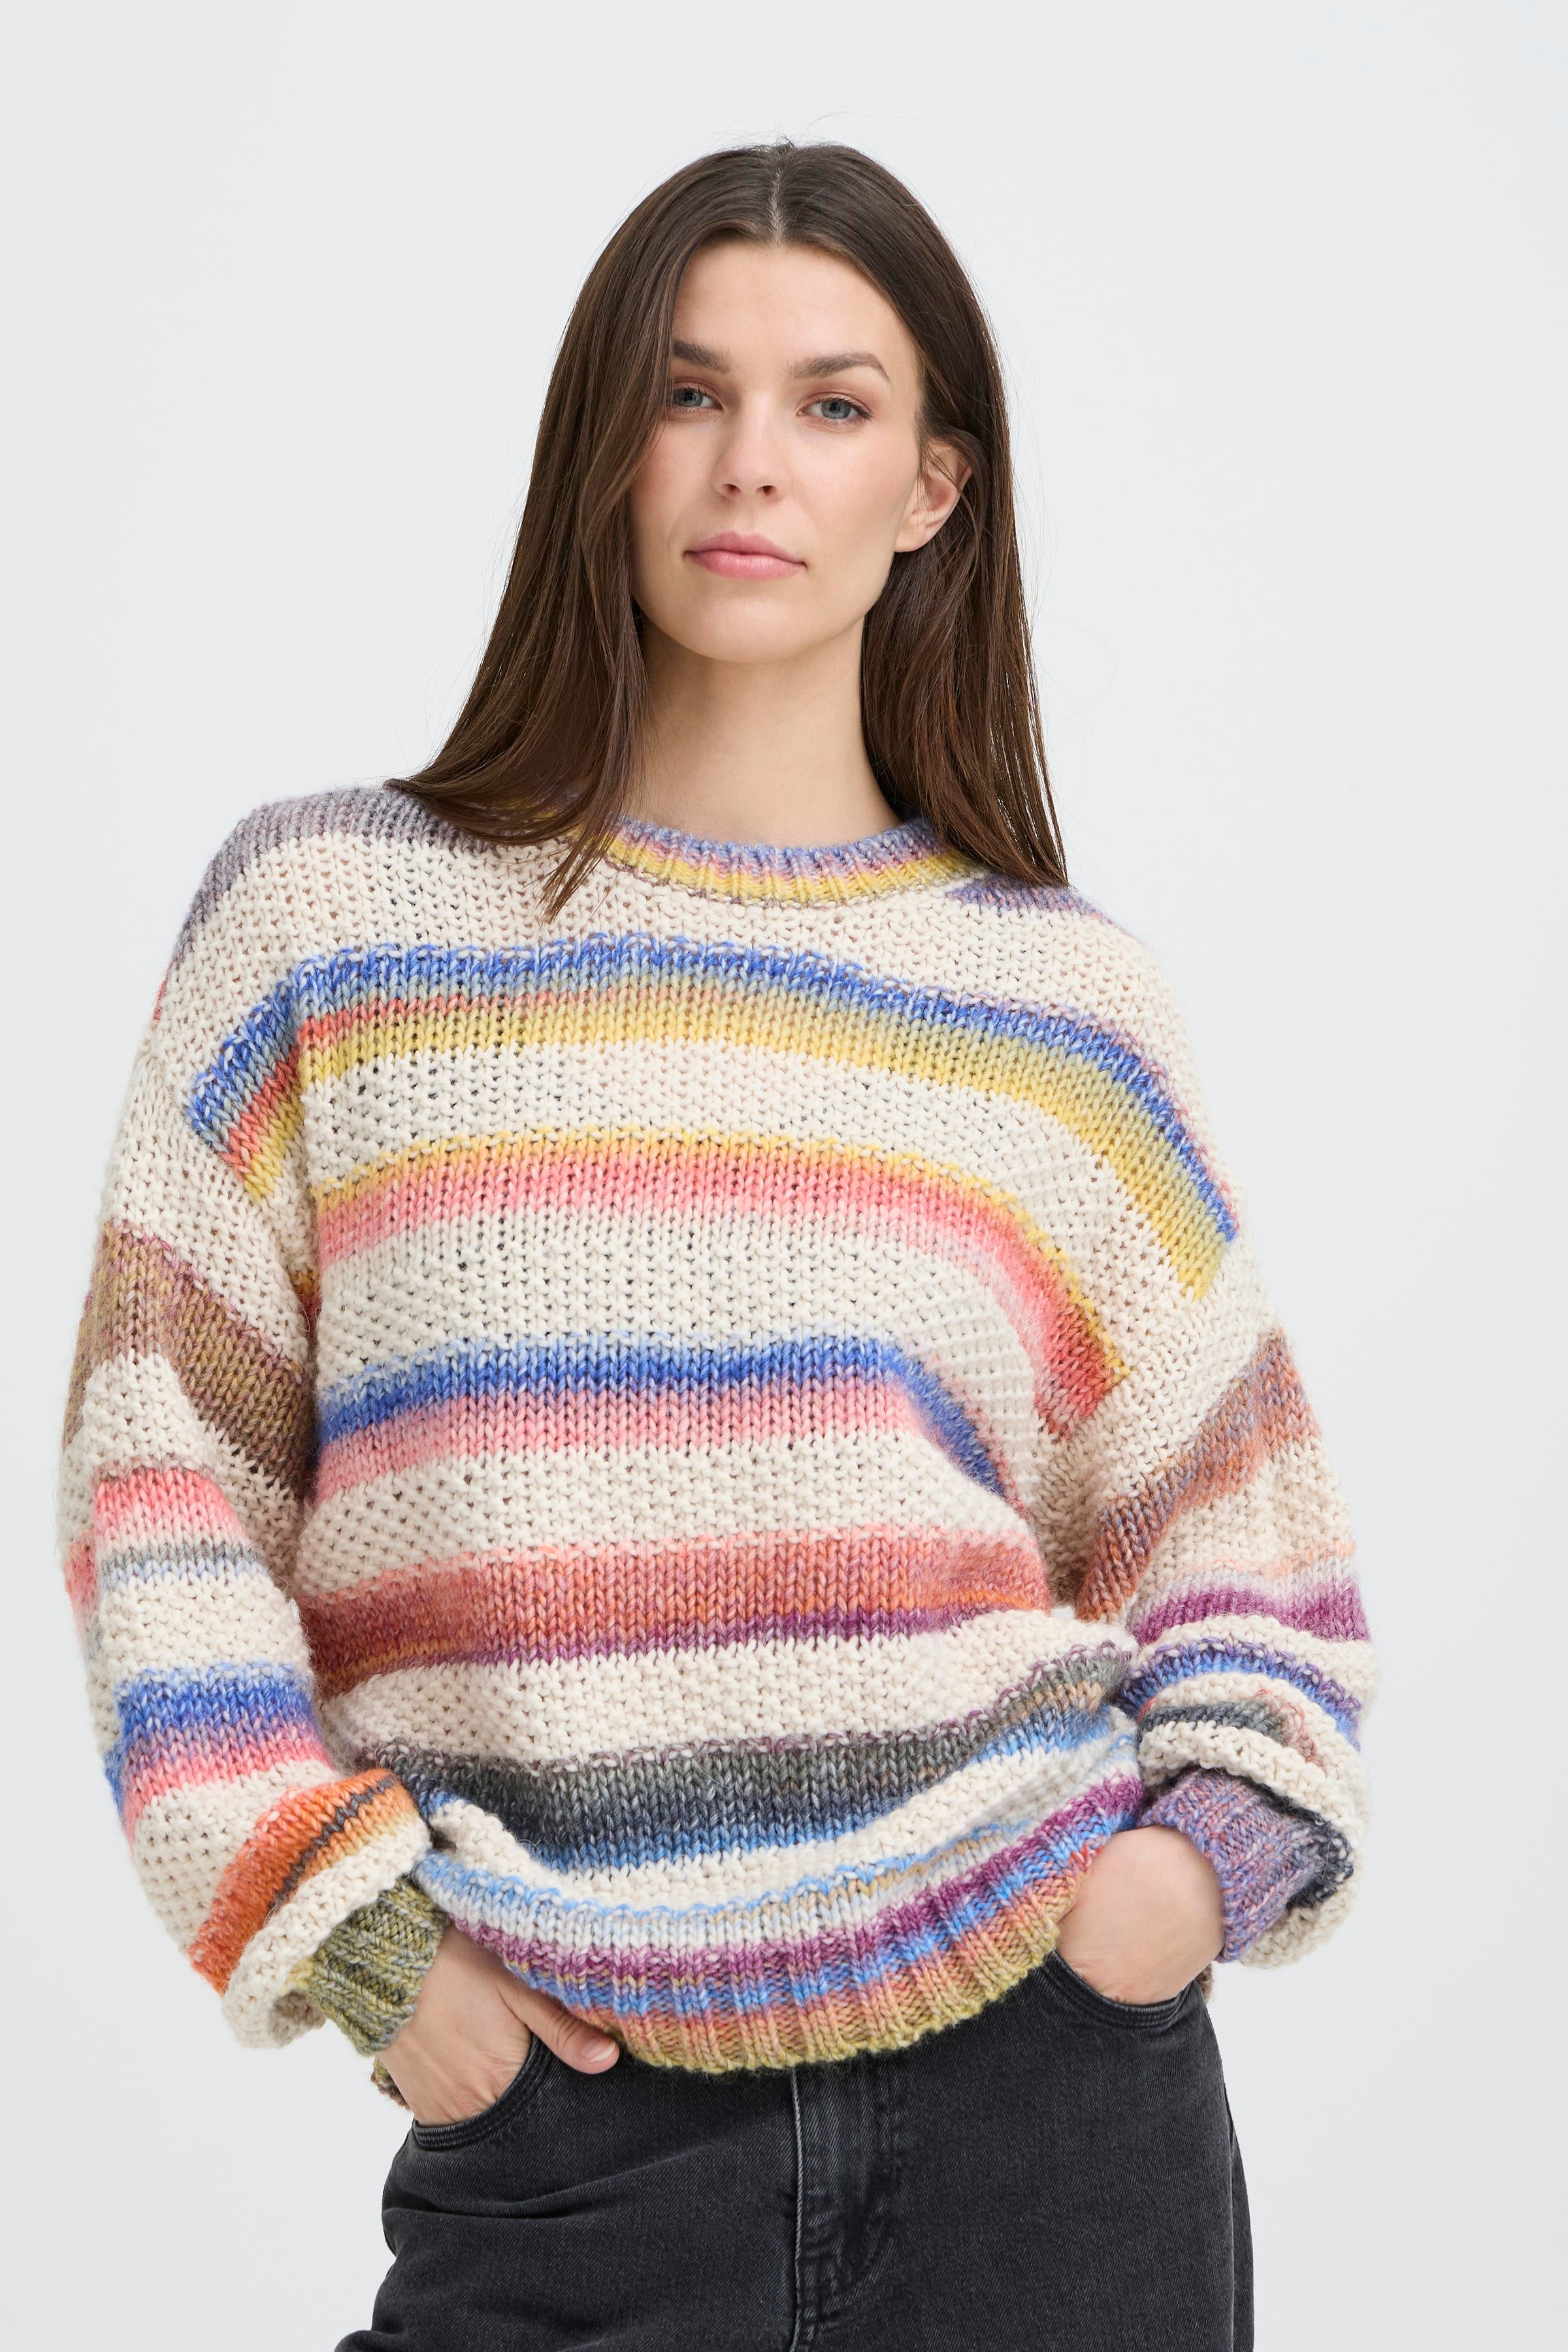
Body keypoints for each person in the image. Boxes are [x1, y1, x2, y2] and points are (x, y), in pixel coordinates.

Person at [59, 140, 1377, 2351]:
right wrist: (365, 1953)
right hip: (565, 2135)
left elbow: (1256, 1572)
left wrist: (1170, 1891)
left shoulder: (1062, 1006)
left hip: (1048, 2117)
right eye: (688, 393)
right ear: (605, 441)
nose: (751, 461)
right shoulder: (333, 928)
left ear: (933, 488)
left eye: (832, 404)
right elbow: (158, 1483)